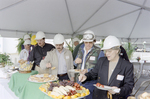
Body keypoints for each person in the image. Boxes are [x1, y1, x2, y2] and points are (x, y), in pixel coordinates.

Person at [74, 30, 104, 99]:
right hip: (79, 81)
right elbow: (74, 63)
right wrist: (75, 61)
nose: (88, 44)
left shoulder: (99, 51)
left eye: (90, 42)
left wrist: (87, 70)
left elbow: (101, 68)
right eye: (86, 42)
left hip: (91, 83)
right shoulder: (80, 49)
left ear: (94, 41)